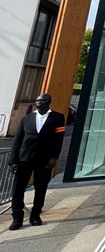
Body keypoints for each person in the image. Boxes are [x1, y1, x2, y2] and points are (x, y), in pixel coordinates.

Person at [8, 94, 66, 231]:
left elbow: (59, 140)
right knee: (18, 189)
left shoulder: (57, 118)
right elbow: (17, 142)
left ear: (49, 102)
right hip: (25, 159)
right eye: (38, 100)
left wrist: (54, 157)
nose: (39, 102)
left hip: (44, 160)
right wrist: (13, 161)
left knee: (40, 188)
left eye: (43, 100)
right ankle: (17, 217)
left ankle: (35, 215)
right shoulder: (26, 119)